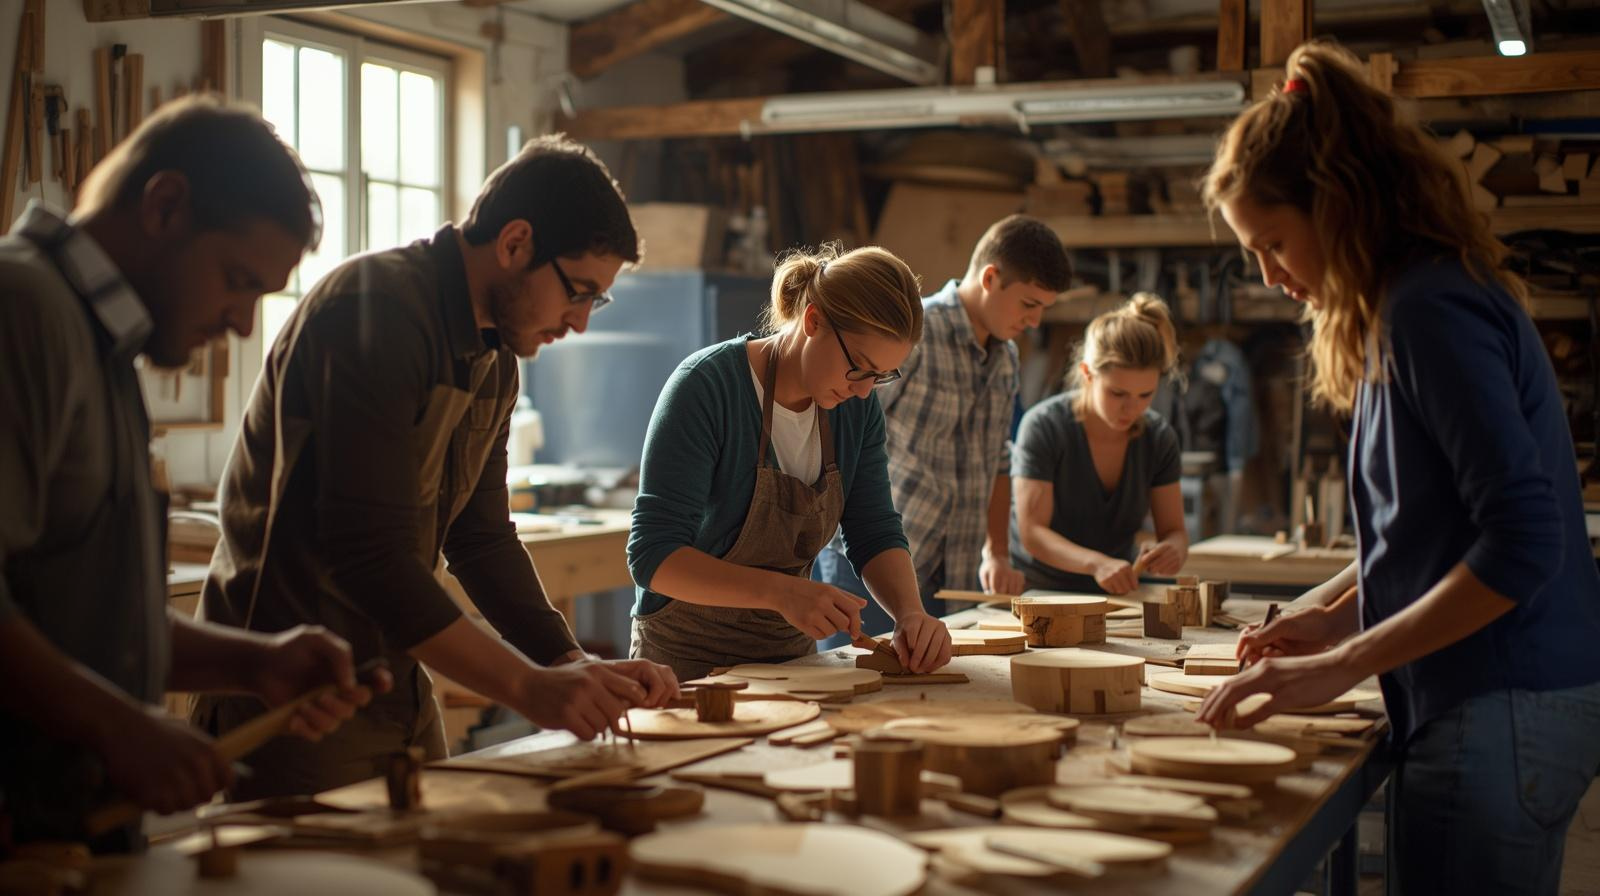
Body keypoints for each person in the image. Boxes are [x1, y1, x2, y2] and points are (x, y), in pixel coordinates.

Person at [1193, 40, 1600, 895]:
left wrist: (1339, 666)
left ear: (1337, 205)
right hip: (1501, 701)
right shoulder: (1409, 305)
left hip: (1502, 704)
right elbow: (1431, 524)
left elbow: (1523, 542)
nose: (1269, 277)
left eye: (1273, 242)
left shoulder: (1429, 309)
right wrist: (1339, 616)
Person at [194, 135, 677, 801]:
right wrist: (527, 688)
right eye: (579, 291)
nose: (581, 322)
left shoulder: (495, 358)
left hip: (397, 675)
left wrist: (568, 662)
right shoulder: (376, 309)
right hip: (296, 697)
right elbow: (368, 554)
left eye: (598, 301)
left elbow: (480, 536)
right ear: (514, 244)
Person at [0, 97, 381, 850]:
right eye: (236, 279)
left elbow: (81, 619)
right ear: (165, 205)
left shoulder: (101, 346)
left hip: (74, 834)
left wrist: (254, 662)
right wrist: (120, 726)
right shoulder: (22, 310)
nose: (242, 324)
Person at [629, 244, 954, 681]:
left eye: (881, 377)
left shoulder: (855, 409)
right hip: (685, 663)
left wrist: (910, 613)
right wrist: (781, 592)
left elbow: (872, 529)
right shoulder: (706, 387)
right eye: (859, 368)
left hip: (793, 663)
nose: (863, 391)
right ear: (813, 321)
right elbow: (654, 555)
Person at [814, 215, 1072, 639]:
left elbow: (999, 460)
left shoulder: (1005, 359)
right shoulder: (912, 336)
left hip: (952, 575)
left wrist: (998, 554)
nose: (1035, 323)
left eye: (1044, 309)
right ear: (990, 277)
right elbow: (842, 433)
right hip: (870, 566)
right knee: (856, 693)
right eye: (1029, 305)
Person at [1009, 293, 1189, 595]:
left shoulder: (1158, 438)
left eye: (1145, 395)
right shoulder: (1044, 426)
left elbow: (1175, 531)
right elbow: (1033, 533)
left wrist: (1174, 549)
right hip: (1036, 595)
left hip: (1116, 595)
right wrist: (1096, 564)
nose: (1132, 409)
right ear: (1087, 374)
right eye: (1117, 394)